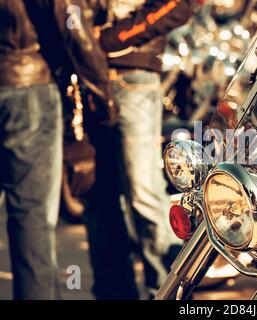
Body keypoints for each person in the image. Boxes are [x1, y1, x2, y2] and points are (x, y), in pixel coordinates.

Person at [0, 0, 116, 299]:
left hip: (22, 82)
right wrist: (104, 95)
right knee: (31, 217)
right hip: (26, 85)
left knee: (30, 218)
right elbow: (67, 13)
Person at [84, 0, 192, 299]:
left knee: (143, 194)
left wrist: (108, 41)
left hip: (132, 77)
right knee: (98, 197)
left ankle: (168, 293)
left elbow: (179, 6)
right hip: (86, 76)